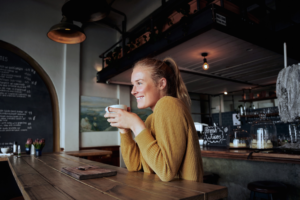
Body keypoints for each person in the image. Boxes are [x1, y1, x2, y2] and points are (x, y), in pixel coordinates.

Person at [104, 57, 203, 182]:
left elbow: (166, 172)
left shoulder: (169, 104)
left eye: (139, 83)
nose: (133, 91)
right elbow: (134, 166)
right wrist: (124, 130)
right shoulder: (151, 119)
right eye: (132, 85)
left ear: (161, 84)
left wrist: (135, 124)